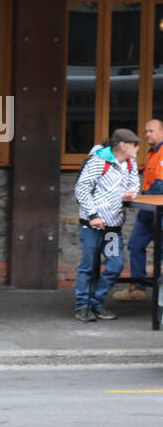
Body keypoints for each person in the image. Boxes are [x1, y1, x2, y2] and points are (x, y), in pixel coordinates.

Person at [74, 127, 141, 322]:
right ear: (123, 145)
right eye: (134, 144)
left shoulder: (130, 164)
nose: (137, 148)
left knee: (114, 265)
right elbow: (82, 189)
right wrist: (93, 215)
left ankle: (96, 302)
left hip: (112, 229)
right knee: (89, 267)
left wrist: (129, 196)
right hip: (92, 227)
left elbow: (134, 186)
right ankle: (82, 307)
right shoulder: (98, 162)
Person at [114, 118, 163, 302]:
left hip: (159, 210)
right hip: (147, 211)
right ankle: (138, 287)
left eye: (151, 131)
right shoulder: (152, 154)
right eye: (146, 131)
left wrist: (139, 198)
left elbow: (160, 187)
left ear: (162, 133)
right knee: (135, 245)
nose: (147, 134)